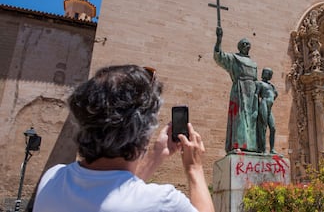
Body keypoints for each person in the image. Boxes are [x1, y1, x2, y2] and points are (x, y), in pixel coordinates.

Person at [33, 65, 214, 212]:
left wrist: (156, 157)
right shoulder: (163, 202)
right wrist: (194, 168)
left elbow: (115, 189)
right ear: (144, 131)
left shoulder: (52, 178)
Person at [214, 26, 258, 153]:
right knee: (239, 117)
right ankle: (238, 144)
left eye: (247, 44)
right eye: (243, 44)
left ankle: (252, 146)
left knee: (252, 118)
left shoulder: (253, 63)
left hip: (252, 93)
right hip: (240, 90)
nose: (246, 45)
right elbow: (219, 56)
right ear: (239, 46)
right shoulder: (234, 58)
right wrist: (219, 39)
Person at [256, 68, 278, 153]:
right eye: (264, 72)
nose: (265, 74)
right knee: (263, 127)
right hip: (263, 104)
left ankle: (272, 149)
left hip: (269, 107)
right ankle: (263, 149)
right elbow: (256, 95)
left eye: (267, 73)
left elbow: (275, 94)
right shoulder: (259, 83)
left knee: (273, 128)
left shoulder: (272, 86)